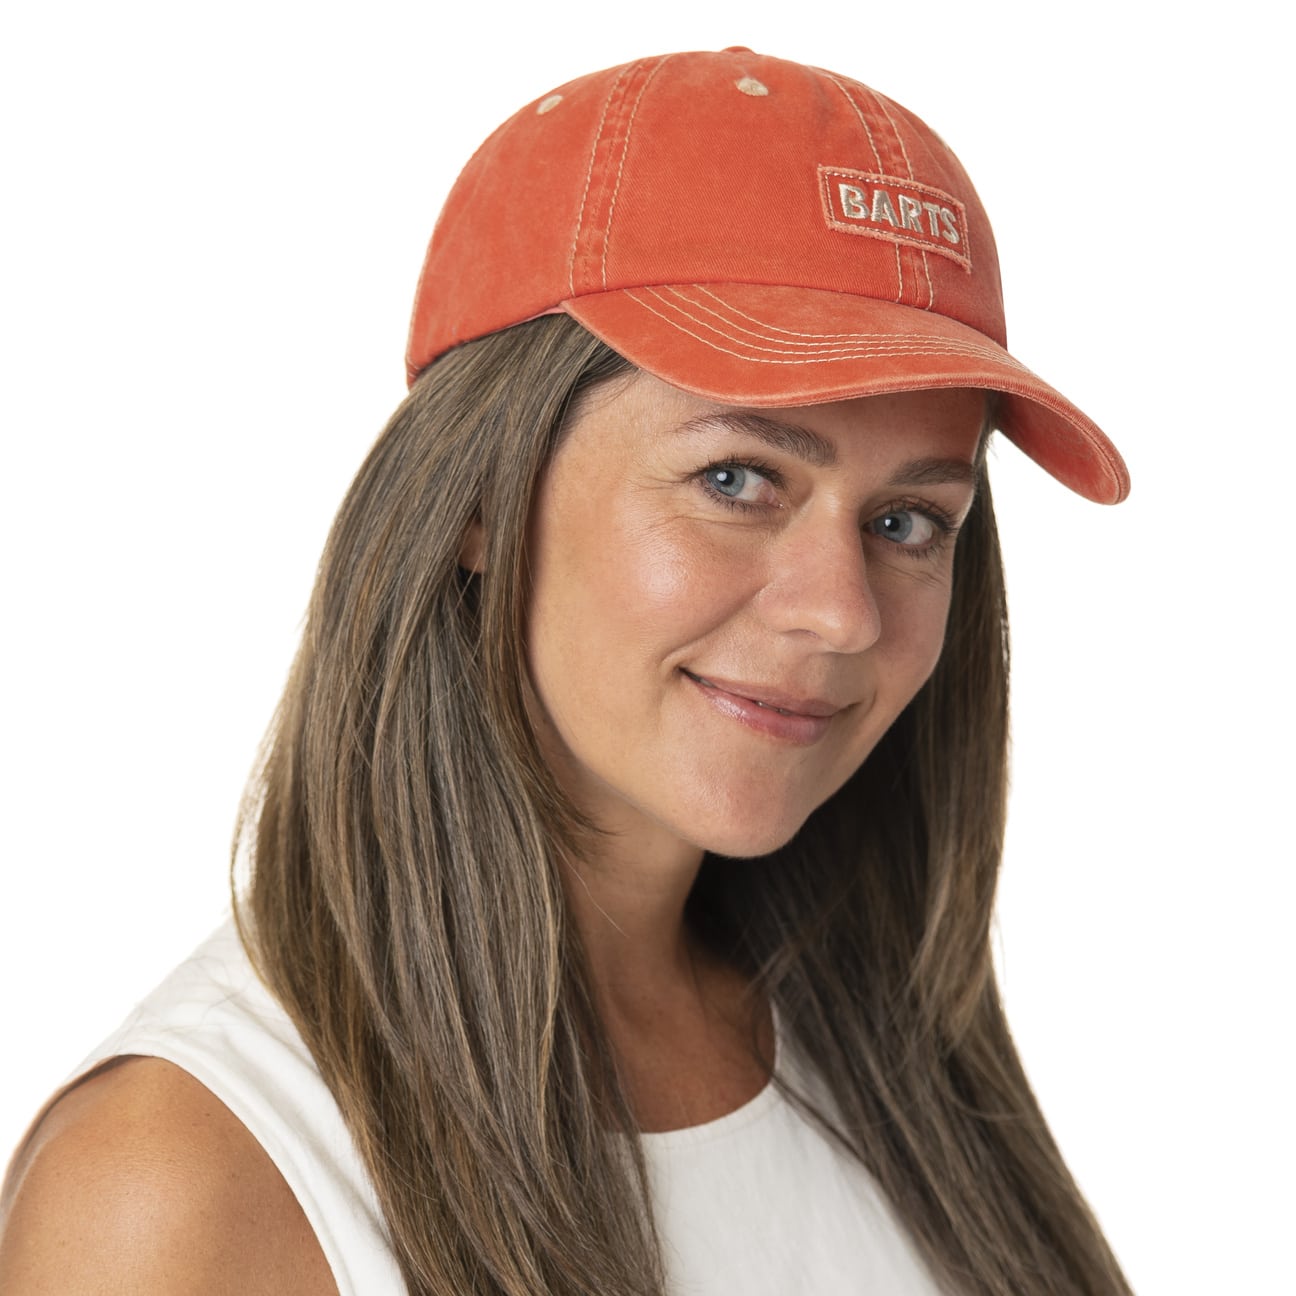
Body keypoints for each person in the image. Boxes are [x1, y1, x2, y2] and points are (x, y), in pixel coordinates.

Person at [0, 46, 1133, 1296]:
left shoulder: (900, 1072)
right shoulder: (185, 1186)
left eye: (908, 520)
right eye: (737, 479)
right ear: (478, 498)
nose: (841, 613)